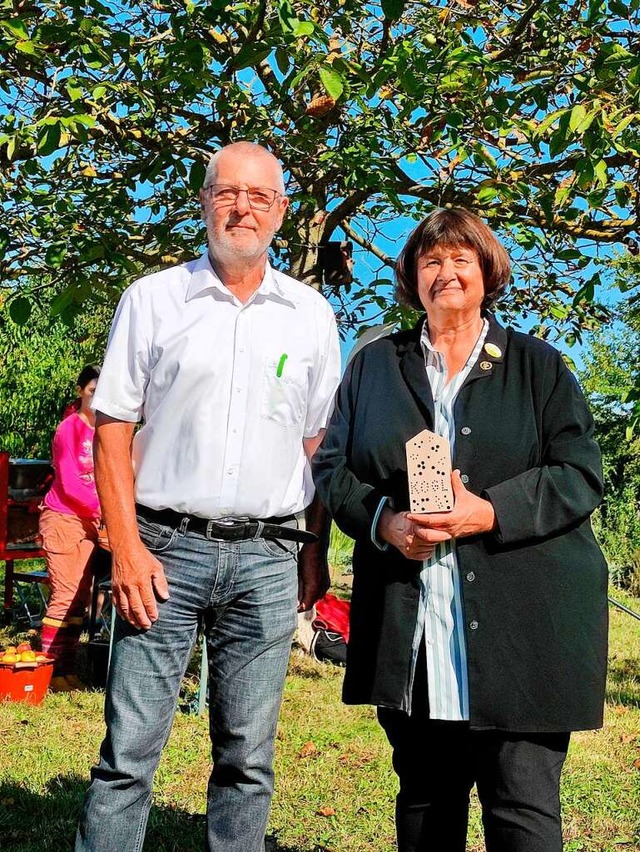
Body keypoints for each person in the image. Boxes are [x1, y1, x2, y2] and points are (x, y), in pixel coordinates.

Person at [312, 208, 608, 852]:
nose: (446, 274)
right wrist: (384, 523)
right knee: (424, 797)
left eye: (460, 260)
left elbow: (580, 475)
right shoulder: (373, 367)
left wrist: (489, 511)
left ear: (486, 271)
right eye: (430, 261)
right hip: (414, 626)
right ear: (413, 277)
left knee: (521, 806)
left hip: (521, 630)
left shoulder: (539, 367)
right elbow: (332, 469)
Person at [75, 142, 341, 852]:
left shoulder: (311, 316)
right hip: (161, 550)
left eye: (259, 196)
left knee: (247, 761)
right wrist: (125, 548)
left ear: (281, 210)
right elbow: (112, 432)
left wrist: (314, 555)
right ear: (204, 202)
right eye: (227, 192)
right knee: (128, 757)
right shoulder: (153, 299)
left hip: (267, 556)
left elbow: (321, 446)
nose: (242, 207)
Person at [40, 364, 102, 693]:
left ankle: (67, 667)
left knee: (80, 598)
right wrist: (102, 511)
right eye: (92, 390)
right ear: (80, 391)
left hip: (93, 521)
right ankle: (48, 666)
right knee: (64, 594)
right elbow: (69, 483)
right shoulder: (69, 429)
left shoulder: (105, 431)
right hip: (64, 517)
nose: (97, 397)